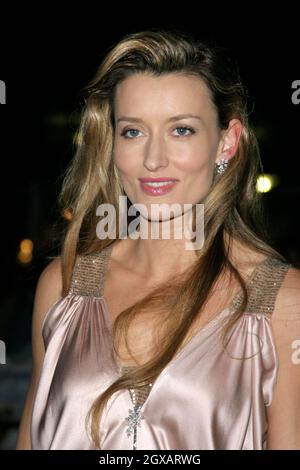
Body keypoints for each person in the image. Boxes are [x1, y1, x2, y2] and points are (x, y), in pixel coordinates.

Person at [16, 29, 300, 450]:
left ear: (227, 141)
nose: (153, 160)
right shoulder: (62, 286)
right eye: (133, 132)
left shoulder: (282, 303)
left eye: (181, 130)